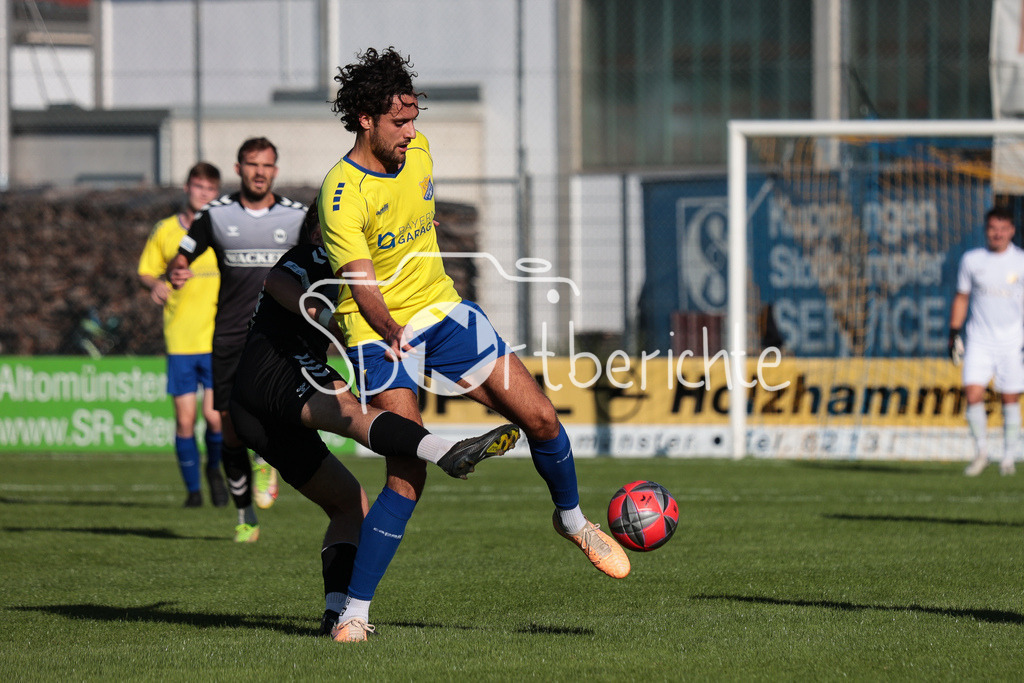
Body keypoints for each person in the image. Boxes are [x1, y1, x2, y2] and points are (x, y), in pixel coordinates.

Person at [317, 47, 630, 643]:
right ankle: (354, 614)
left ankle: (572, 521)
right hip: (376, 329)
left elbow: (415, 214)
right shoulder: (341, 194)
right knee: (407, 470)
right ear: (364, 119)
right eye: (399, 123)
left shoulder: (420, 152)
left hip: (442, 308)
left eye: (414, 119)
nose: (412, 132)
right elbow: (363, 287)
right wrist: (391, 332)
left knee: (540, 416)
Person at [229, 205, 519, 638]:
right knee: (354, 413)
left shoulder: (352, 270)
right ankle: (446, 452)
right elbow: (276, 282)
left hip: (254, 411)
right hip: (275, 371)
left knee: (350, 504)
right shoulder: (314, 254)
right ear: (319, 231)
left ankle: (334, 613)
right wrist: (328, 319)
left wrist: (413, 234)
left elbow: (396, 275)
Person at [168, 137, 305, 541]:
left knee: (276, 413)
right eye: (251, 164)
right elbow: (185, 252)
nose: (259, 171)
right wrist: (178, 268)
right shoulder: (216, 214)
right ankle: (245, 515)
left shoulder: (297, 217)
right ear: (239, 168)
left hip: (278, 336)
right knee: (228, 430)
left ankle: (267, 458)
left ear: (275, 171)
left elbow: (338, 244)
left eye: (266, 165)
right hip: (229, 336)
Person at [137, 162, 227, 508]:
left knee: (214, 416)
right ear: (187, 188)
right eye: (197, 186)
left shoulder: (221, 229)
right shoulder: (165, 231)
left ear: (215, 193)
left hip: (216, 339)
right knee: (185, 420)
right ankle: (192, 491)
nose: (202, 193)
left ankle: (215, 473)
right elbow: (146, 271)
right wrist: (156, 284)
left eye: (209, 188)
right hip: (180, 338)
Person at [948, 206, 1024, 477]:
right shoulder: (972, 260)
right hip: (979, 340)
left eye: (1003, 229)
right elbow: (962, 297)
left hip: (1013, 341)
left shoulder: (1021, 261)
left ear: (1012, 231)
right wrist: (954, 332)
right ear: (986, 230)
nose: (998, 234)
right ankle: (981, 452)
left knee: (1010, 399)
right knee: (973, 393)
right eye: (993, 228)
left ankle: (1008, 457)